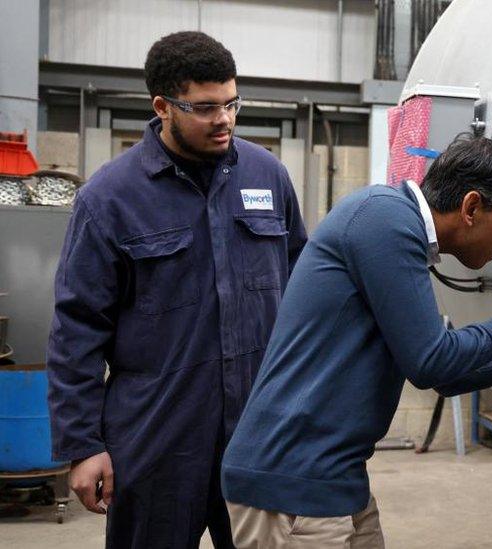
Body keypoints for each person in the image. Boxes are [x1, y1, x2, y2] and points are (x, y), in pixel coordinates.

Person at [221, 136, 492, 548]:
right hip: (292, 481)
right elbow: (431, 362)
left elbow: (447, 377)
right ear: (471, 207)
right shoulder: (385, 219)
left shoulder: (396, 229)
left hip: (335, 476)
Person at [46, 31, 306, 548]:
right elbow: (77, 327)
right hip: (156, 438)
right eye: (205, 108)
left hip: (258, 432)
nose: (225, 120)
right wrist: (82, 445)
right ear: (162, 106)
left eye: (232, 103)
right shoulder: (110, 198)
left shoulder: (268, 176)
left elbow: (304, 293)